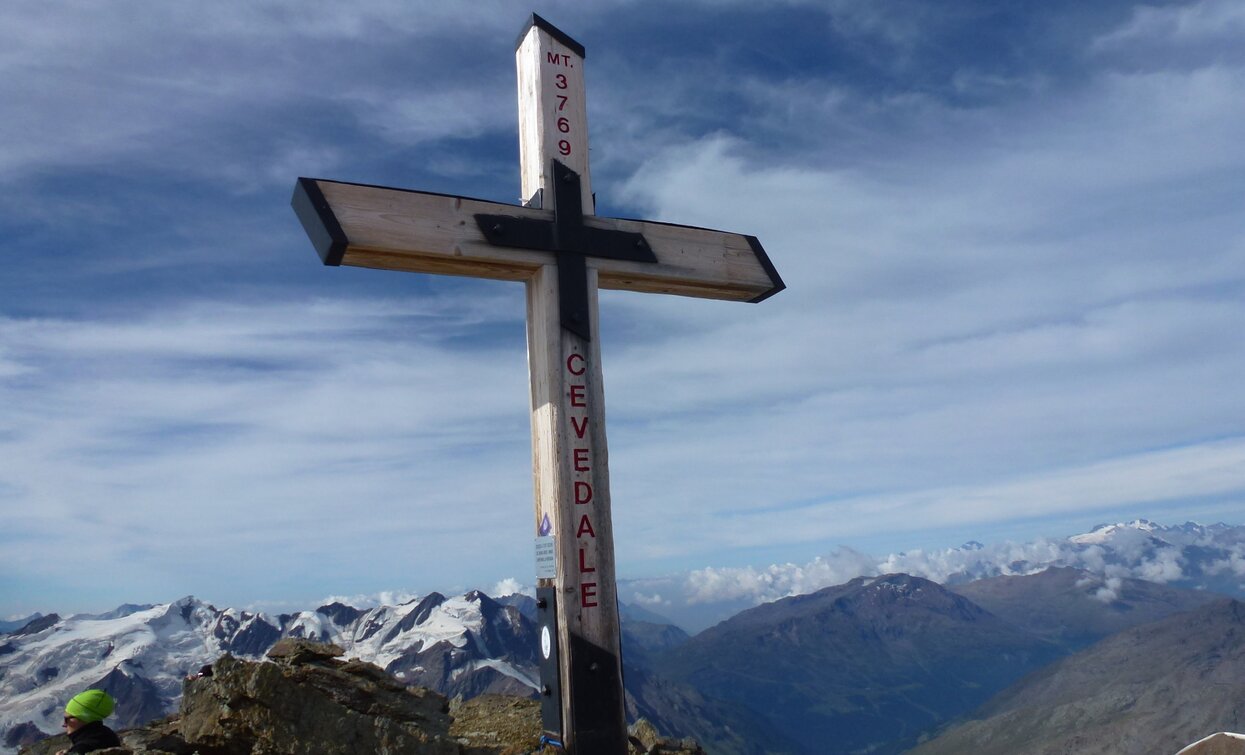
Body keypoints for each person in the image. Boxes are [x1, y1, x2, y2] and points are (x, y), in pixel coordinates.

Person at [54, 689, 121, 754]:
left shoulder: (84, 748)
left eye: (67, 719)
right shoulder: (107, 736)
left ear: (83, 718)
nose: (64, 724)